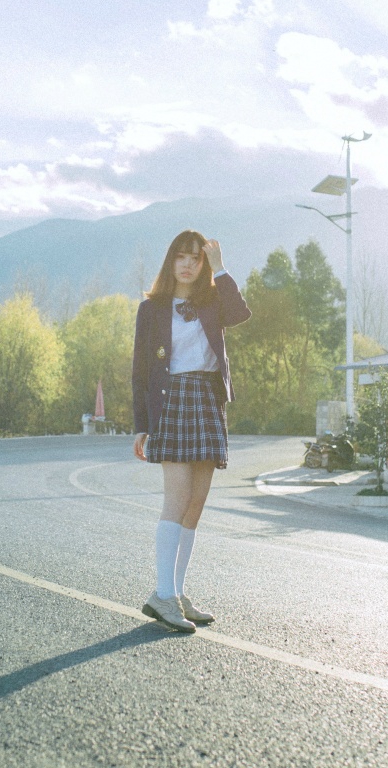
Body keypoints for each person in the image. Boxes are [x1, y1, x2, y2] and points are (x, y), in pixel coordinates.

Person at [131, 231, 251, 632]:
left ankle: (177, 593)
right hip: (172, 400)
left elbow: (239, 315)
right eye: (180, 257)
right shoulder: (151, 309)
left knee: (196, 504)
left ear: (203, 265)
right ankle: (162, 595)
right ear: (171, 262)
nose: (187, 264)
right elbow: (140, 371)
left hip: (207, 399)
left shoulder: (213, 301)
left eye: (195, 259)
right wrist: (141, 426)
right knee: (177, 499)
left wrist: (221, 269)